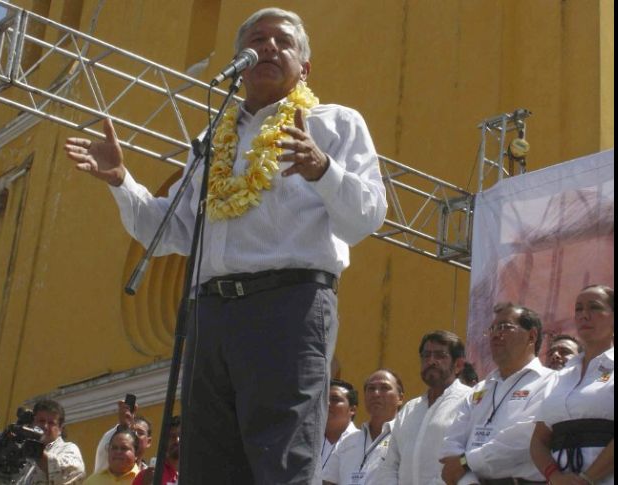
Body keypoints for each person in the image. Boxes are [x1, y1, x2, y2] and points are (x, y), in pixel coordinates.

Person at [64, 7, 386, 483]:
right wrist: (120, 181)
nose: (270, 48)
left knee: (281, 462)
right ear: (239, 61)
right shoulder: (215, 138)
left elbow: (368, 217)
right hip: (211, 313)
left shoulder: (333, 124)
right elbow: (167, 227)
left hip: (289, 308)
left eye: (283, 42)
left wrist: (323, 170)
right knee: (207, 465)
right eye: (258, 40)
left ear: (305, 67)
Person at [439, 302, 553, 485]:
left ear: (531, 336)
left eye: (504, 327)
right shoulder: (479, 390)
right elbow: (451, 444)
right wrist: (468, 481)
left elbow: (524, 440)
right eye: (492, 329)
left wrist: (466, 462)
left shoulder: (550, 383)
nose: (495, 335)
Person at [530, 285, 614, 484]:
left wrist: (587, 479)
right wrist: (555, 476)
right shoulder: (559, 377)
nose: (584, 315)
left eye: (594, 307)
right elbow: (538, 441)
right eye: (578, 309)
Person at [367, 330, 470, 485]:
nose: (431, 361)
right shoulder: (409, 409)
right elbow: (390, 465)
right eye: (426, 355)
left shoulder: (469, 401)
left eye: (440, 355)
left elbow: (464, 461)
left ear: (458, 364)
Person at [322, 369, 404, 485]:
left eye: (384, 388)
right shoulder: (347, 441)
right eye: (371, 388)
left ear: (400, 398)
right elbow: (328, 482)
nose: (376, 394)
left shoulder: (405, 438)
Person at [16, 399, 86, 485]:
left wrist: (39, 454)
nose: (45, 426)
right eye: (41, 421)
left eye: (51, 423)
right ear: (33, 423)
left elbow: (71, 472)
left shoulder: (69, 449)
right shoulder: (22, 452)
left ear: (60, 428)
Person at [94, 399, 153, 473]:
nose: (135, 436)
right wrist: (124, 426)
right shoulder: (108, 469)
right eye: (132, 431)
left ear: (149, 442)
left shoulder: (149, 475)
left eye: (140, 433)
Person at [320, 379, 359, 477]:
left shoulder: (362, 442)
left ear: (352, 409)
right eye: (324, 399)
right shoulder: (308, 440)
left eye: (335, 399)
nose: (327, 403)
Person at [132, 416, 181, 485]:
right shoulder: (147, 476)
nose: (177, 440)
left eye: (181, 436)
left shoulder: (198, 473)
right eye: (172, 436)